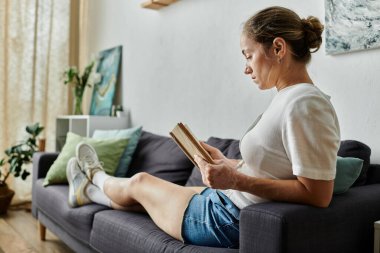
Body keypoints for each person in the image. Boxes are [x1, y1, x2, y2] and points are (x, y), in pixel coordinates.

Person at [66, 6, 340, 249]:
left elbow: (317, 194)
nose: (246, 68)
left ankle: (94, 177)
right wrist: (229, 164)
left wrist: (236, 180)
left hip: (227, 220)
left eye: (248, 55)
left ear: (278, 48)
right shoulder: (288, 98)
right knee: (142, 200)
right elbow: (275, 167)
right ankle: (86, 190)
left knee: (140, 182)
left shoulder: (306, 104)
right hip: (230, 201)